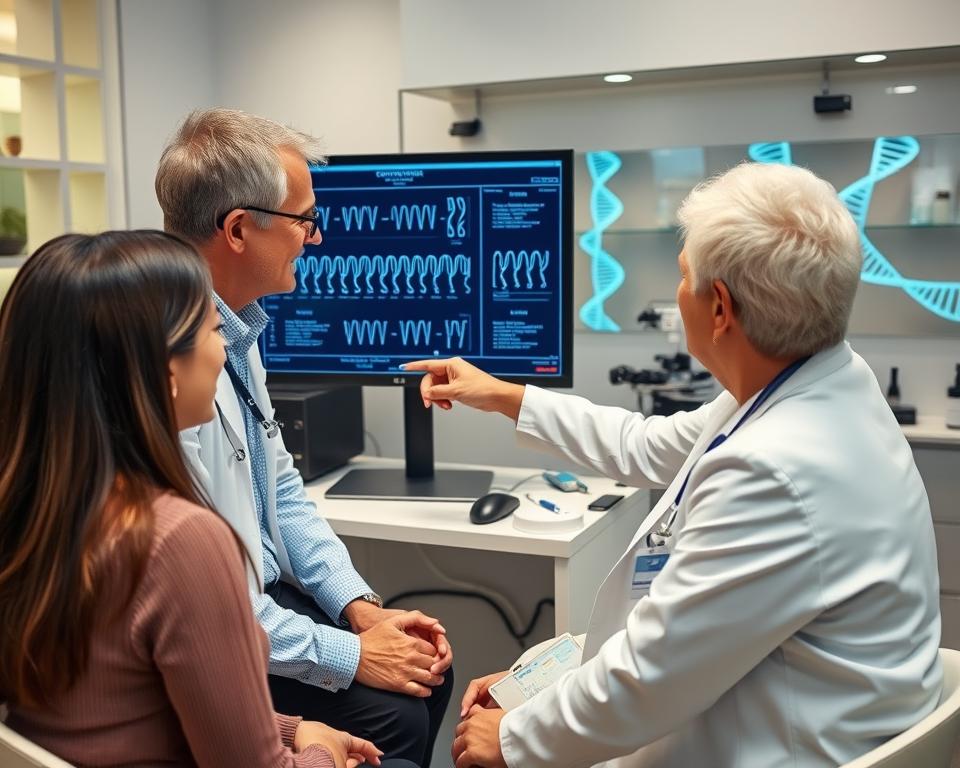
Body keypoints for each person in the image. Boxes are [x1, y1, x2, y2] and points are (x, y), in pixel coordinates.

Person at [404, 162, 943, 768]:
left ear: (719, 309)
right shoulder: (817, 383)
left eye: (682, 276)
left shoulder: (773, 471)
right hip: (784, 694)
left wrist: (511, 737)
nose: (677, 292)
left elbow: (647, 680)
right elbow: (647, 444)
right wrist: (503, 395)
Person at [0, 230, 392, 768]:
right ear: (168, 375)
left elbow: (129, 707)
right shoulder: (179, 541)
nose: (224, 350)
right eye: (213, 332)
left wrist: (291, 729)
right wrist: (323, 748)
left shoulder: (37, 513)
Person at [155, 108, 453, 767]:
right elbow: (206, 604)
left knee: (425, 673)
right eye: (304, 220)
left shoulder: (238, 332)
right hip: (223, 627)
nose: (314, 240)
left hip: (258, 599)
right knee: (399, 710)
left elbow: (282, 492)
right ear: (238, 229)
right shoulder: (173, 370)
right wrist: (350, 657)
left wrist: (357, 609)